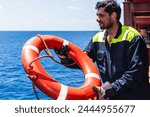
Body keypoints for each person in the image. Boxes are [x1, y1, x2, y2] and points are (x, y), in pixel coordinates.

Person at [56, 0, 150, 100]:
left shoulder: (132, 36)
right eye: (97, 15)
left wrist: (112, 88)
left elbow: (137, 72)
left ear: (113, 15)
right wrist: (64, 57)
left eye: (101, 15)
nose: (97, 19)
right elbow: (83, 62)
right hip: (110, 97)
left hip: (135, 98)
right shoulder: (97, 39)